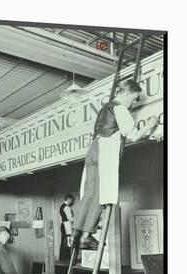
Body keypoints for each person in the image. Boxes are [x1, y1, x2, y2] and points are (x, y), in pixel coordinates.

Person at [72, 79, 159, 249]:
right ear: (126, 93)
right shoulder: (120, 108)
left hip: (93, 150)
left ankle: (76, 234)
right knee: (102, 193)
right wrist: (150, 124)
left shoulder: (106, 107)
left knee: (89, 192)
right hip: (105, 151)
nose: (133, 102)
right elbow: (133, 135)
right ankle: (87, 236)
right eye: (134, 98)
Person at [59, 194, 75, 261]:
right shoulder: (66, 207)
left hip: (63, 225)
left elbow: (61, 219)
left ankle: (62, 258)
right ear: (68, 199)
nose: (72, 202)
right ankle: (66, 259)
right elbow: (70, 219)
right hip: (67, 225)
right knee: (68, 242)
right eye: (71, 200)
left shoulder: (61, 207)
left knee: (64, 242)